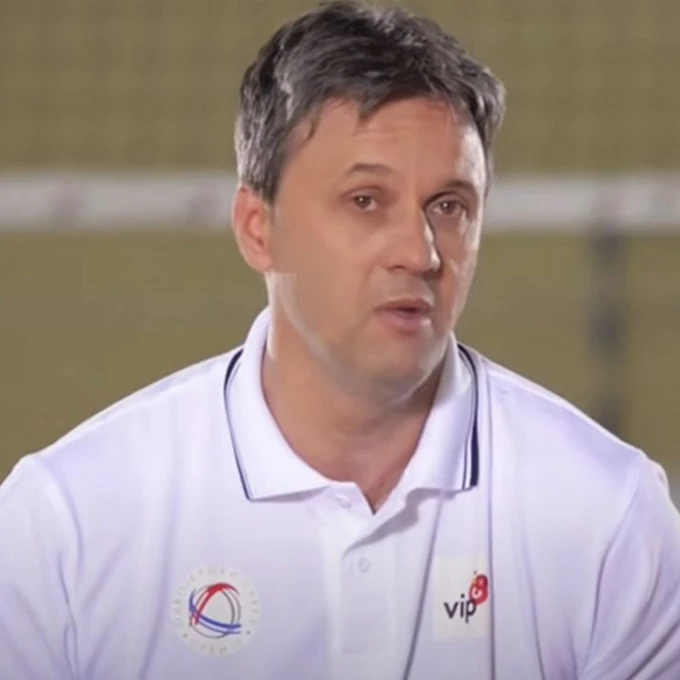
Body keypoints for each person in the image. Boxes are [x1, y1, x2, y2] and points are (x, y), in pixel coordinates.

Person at [1, 1, 679, 678]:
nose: (420, 253)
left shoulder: (611, 516)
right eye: (366, 201)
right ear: (257, 228)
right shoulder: (64, 524)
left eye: (449, 206)